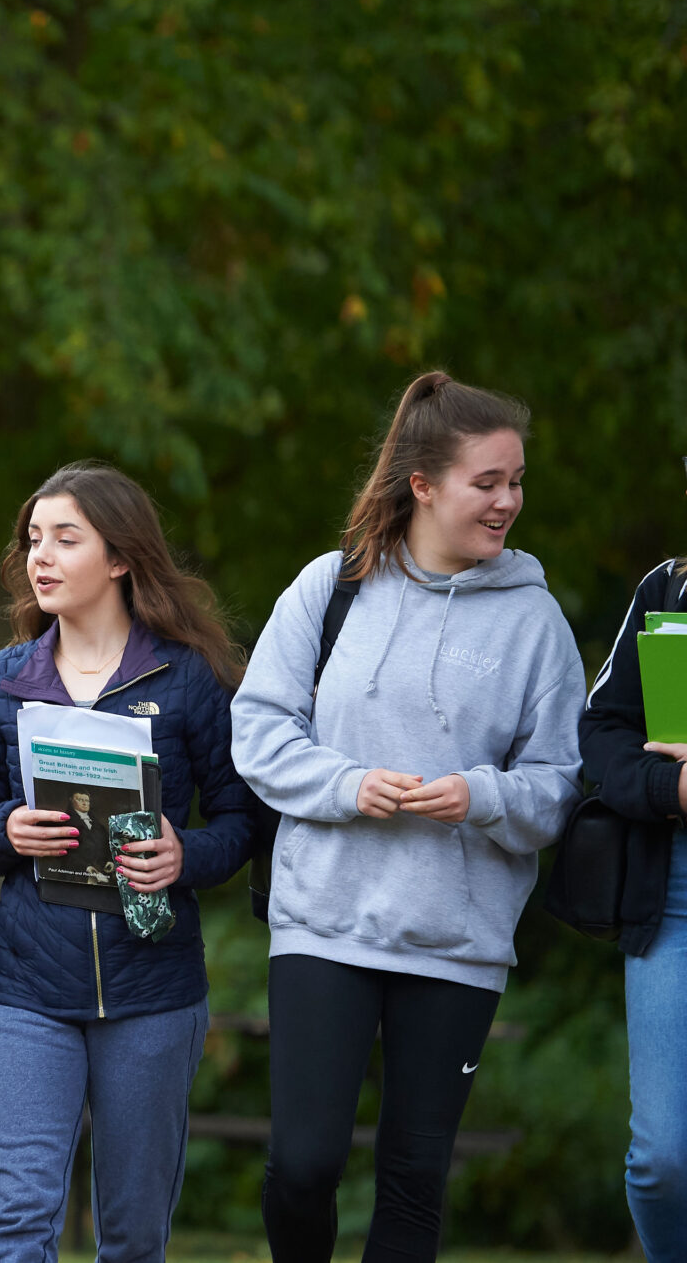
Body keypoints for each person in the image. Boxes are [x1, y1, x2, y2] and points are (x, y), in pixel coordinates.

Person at [231, 371, 585, 1262]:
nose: (508, 502)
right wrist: (349, 785)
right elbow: (260, 732)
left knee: (414, 1182)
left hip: (456, 945)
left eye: (517, 481)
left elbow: (559, 784)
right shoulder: (331, 589)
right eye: (487, 482)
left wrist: (485, 797)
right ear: (423, 484)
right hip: (324, 926)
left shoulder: (535, 624)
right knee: (304, 1166)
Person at [0, 461, 256, 1262]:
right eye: (33, 541)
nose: (40, 558)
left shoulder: (188, 678)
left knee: (131, 1238)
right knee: (19, 1227)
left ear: (120, 558)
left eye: (66, 539)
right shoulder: (5, 681)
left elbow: (241, 822)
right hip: (29, 992)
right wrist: (8, 831)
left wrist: (182, 855)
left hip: (153, 993)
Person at [577, 549, 687, 1259]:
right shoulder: (669, 588)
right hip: (672, 898)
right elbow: (603, 732)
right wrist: (666, 789)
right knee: (663, 1162)